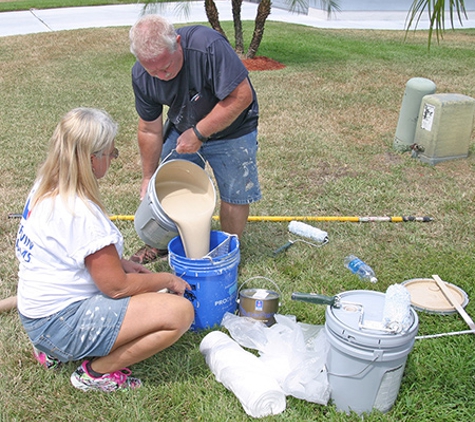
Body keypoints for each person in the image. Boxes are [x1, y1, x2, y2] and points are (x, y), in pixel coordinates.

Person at [15, 107, 194, 392]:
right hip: (59, 324)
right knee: (179, 313)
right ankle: (95, 373)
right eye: (111, 153)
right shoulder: (80, 212)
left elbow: (69, 252)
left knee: (148, 296)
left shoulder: (45, 186)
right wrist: (167, 279)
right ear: (91, 159)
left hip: (36, 314)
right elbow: (117, 288)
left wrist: (119, 262)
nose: (113, 159)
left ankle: (52, 351)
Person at [129, 14, 261, 264]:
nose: (160, 75)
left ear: (177, 43)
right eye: (152, 70)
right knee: (168, 185)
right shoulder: (142, 75)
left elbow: (241, 96)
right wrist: (148, 176)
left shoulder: (207, 46)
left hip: (234, 127)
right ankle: (161, 244)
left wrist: (199, 133)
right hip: (184, 125)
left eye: (166, 67)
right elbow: (149, 129)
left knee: (234, 194)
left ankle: (225, 251)